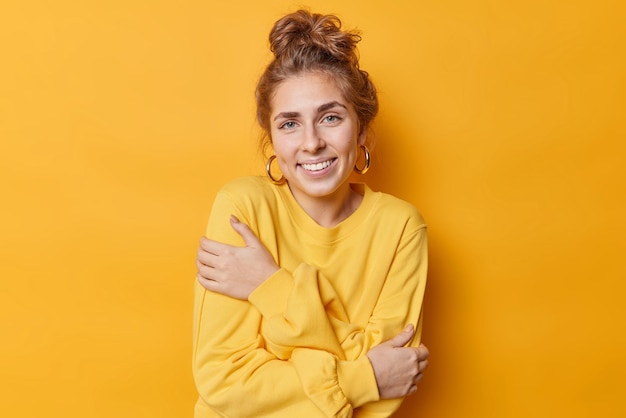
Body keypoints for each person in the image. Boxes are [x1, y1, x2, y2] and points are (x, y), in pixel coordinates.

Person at [193, 9, 429, 418]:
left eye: (331, 118)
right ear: (271, 139)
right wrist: (364, 377)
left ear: (361, 130)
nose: (312, 143)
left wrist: (269, 286)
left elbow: (391, 391)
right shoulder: (242, 208)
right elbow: (225, 384)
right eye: (289, 124)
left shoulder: (401, 228)